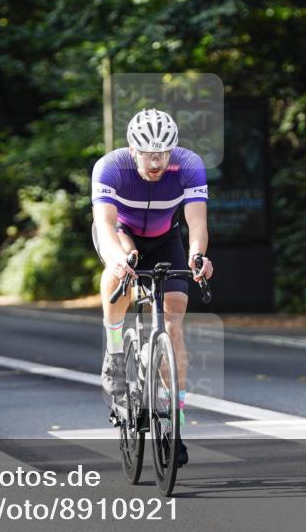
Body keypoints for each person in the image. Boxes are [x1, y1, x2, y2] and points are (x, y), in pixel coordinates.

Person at [91, 108, 214, 467]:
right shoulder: (110, 167)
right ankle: (115, 352)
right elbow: (104, 223)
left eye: (163, 152)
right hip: (121, 237)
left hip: (165, 240)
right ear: (132, 149)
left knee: (173, 325)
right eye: (147, 152)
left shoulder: (189, 165)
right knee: (124, 264)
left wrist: (197, 256)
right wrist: (117, 258)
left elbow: (196, 221)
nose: (156, 160)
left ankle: (175, 422)